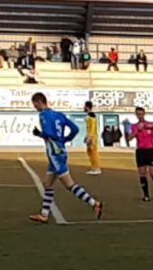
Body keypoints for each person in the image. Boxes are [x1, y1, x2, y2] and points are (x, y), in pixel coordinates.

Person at [28, 93, 103, 224]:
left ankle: (94, 203)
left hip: (55, 153)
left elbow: (49, 134)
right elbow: (75, 129)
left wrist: (39, 134)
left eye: (34, 104)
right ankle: (44, 214)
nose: (35, 107)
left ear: (39, 102)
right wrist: (66, 139)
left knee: (69, 184)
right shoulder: (59, 115)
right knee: (48, 184)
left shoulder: (43, 115)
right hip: (59, 151)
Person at [127, 107, 153, 202]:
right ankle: (146, 195)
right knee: (142, 173)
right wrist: (137, 131)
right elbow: (129, 138)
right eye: (138, 114)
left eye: (141, 113)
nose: (140, 115)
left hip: (151, 150)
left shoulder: (150, 124)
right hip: (140, 151)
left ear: (144, 114)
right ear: (136, 115)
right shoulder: (134, 126)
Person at [83, 101, 102, 175]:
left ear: (87, 107)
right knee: (89, 152)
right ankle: (94, 167)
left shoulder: (91, 116)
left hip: (92, 136)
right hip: (91, 135)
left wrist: (90, 137)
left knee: (93, 152)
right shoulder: (89, 115)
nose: (83, 107)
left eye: (84, 106)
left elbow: (92, 127)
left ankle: (97, 168)